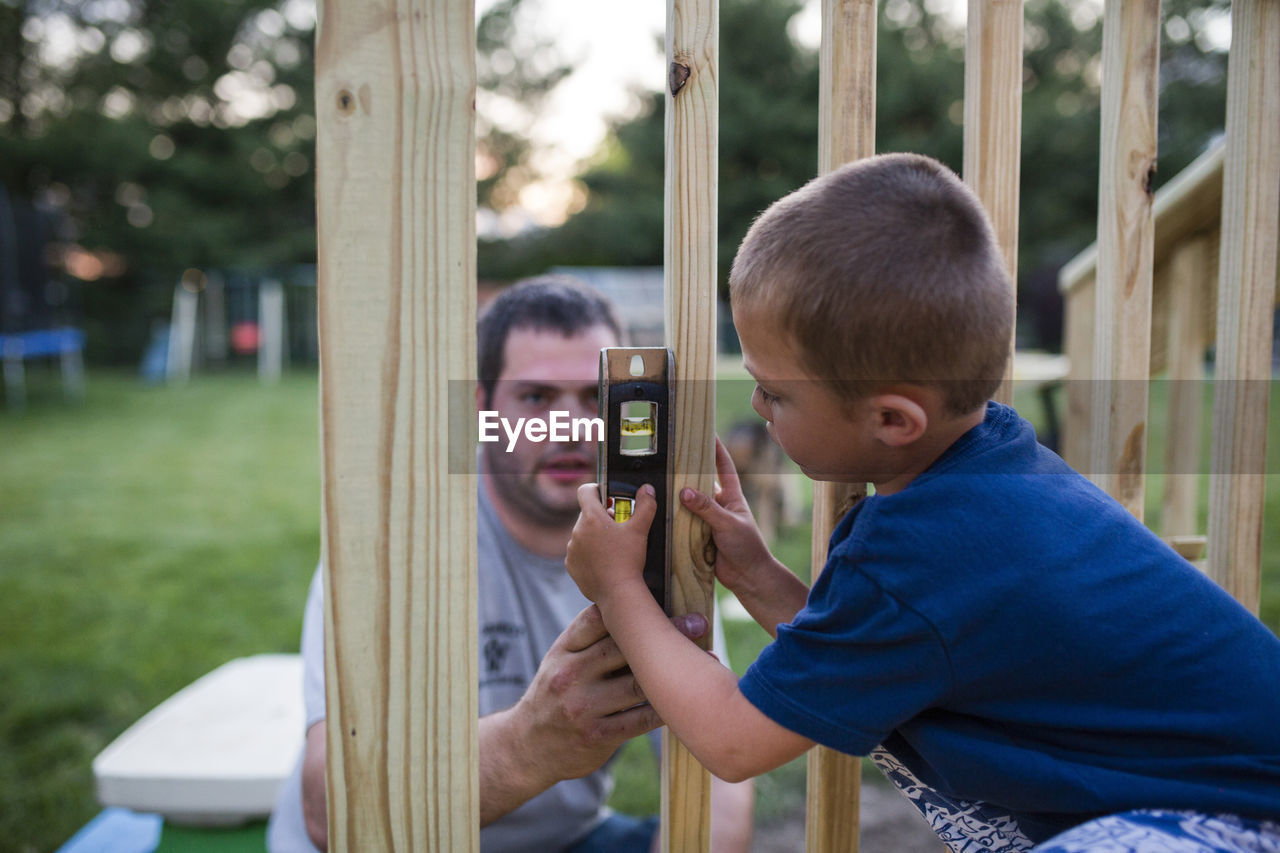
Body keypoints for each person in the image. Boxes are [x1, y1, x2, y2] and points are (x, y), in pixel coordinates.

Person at [565, 154, 1280, 852]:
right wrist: (753, 572)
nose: (756, 404)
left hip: (1231, 819)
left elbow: (731, 737)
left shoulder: (925, 547)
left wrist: (619, 584)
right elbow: (854, 657)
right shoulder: (987, 475)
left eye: (776, 392)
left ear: (893, 421)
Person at [267, 276, 754, 853]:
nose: (571, 427)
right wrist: (532, 744)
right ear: (480, 407)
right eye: (536, 397)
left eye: (594, 398)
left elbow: (717, 774)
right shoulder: (397, 540)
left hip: (568, 840)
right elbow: (332, 809)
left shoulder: (656, 536)